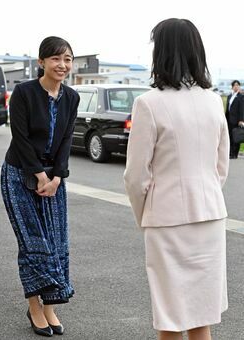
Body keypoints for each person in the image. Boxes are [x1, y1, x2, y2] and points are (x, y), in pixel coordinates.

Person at [124, 19, 229, 340]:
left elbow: (136, 176)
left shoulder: (149, 103)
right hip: (209, 215)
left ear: (162, 52)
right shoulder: (213, 100)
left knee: (169, 314)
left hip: (166, 219)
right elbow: (220, 165)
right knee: (202, 313)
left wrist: (145, 216)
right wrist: (206, 192)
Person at [0, 36, 79, 337]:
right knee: (34, 243)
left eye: (68, 59)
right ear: (42, 61)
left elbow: (67, 138)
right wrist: (39, 175)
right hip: (19, 175)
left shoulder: (71, 97)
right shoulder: (23, 92)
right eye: (56, 59)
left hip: (54, 180)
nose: (62, 65)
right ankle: (34, 306)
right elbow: (19, 137)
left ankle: (50, 305)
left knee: (56, 244)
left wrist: (57, 176)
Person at [225, 80, 244, 159]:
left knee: (236, 137)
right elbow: (228, 109)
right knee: (229, 136)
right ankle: (230, 152)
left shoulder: (241, 96)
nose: (236, 86)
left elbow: (242, 109)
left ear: (239, 87)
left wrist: (241, 120)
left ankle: (234, 154)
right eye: (234, 85)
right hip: (229, 119)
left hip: (236, 120)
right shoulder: (229, 96)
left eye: (237, 85)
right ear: (232, 87)